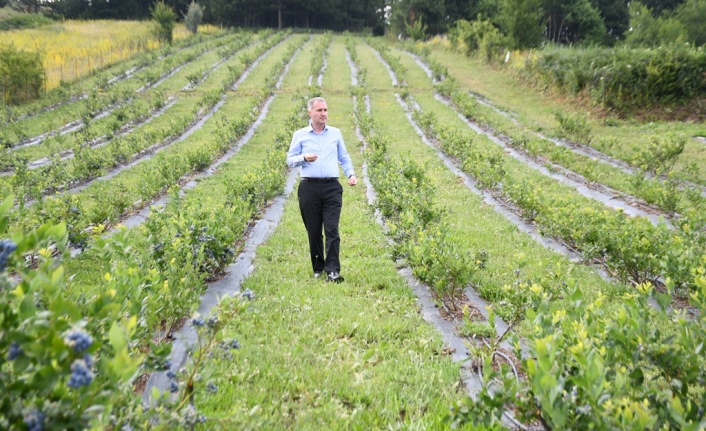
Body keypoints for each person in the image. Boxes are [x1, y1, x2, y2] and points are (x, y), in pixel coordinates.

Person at [286, 97, 357, 283]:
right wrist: (303, 157)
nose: (323, 114)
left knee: (332, 229)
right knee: (314, 230)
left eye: (325, 110)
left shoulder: (335, 133)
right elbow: (290, 159)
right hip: (309, 187)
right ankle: (318, 267)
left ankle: (333, 270)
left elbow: (344, 157)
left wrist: (350, 174)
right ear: (310, 113)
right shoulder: (300, 134)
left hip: (332, 187)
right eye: (319, 110)